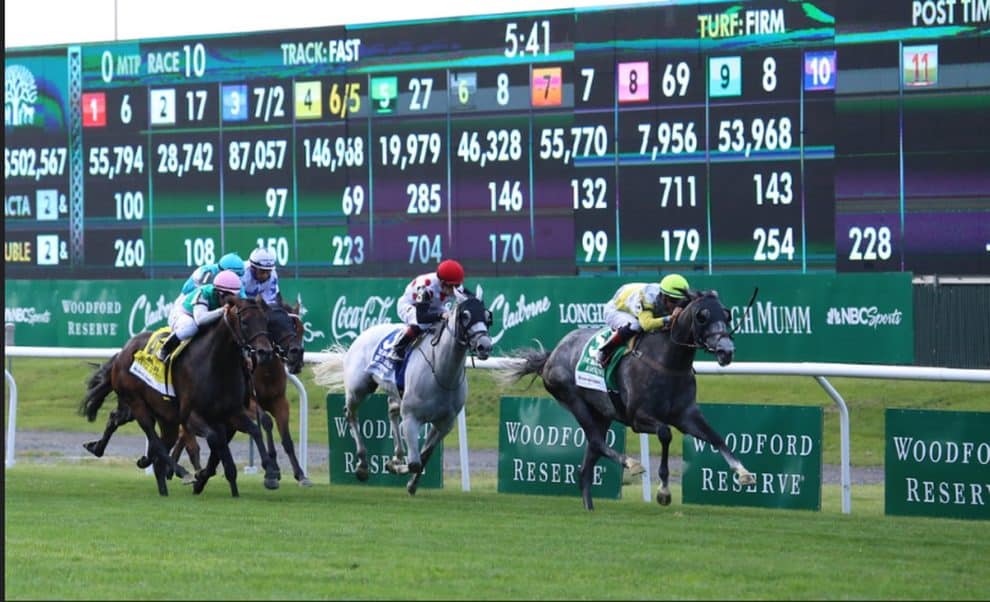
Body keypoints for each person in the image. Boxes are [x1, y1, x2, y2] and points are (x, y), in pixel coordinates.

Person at [596, 273, 690, 367]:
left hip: (633, 303)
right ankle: (605, 350)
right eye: (674, 301)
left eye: (681, 301)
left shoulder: (667, 296)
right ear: (664, 297)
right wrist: (670, 318)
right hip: (615, 310)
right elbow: (646, 325)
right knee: (636, 325)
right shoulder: (647, 298)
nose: (677, 305)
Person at [386, 259, 470, 363]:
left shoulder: (451, 285)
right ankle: (398, 348)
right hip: (410, 305)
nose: (455, 290)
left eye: (457, 286)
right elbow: (421, 318)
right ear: (442, 283)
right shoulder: (425, 288)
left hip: (432, 305)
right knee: (422, 325)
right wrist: (440, 315)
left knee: (451, 319)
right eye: (452, 286)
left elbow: (468, 297)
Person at [157, 270, 244, 361]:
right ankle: (165, 349)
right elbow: (200, 320)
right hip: (183, 314)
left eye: (233, 296)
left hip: (202, 317)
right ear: (218, 292)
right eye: (228, 296)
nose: (231, 300)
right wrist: (221, 310)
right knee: (190, 326)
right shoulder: (204, 293)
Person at [180, 252, 245, 295]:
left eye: (239, 275)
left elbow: (242, 297)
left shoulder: (235, 279)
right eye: (235, 274)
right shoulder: (207, 272)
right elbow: (196, 294)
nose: (236, 277)